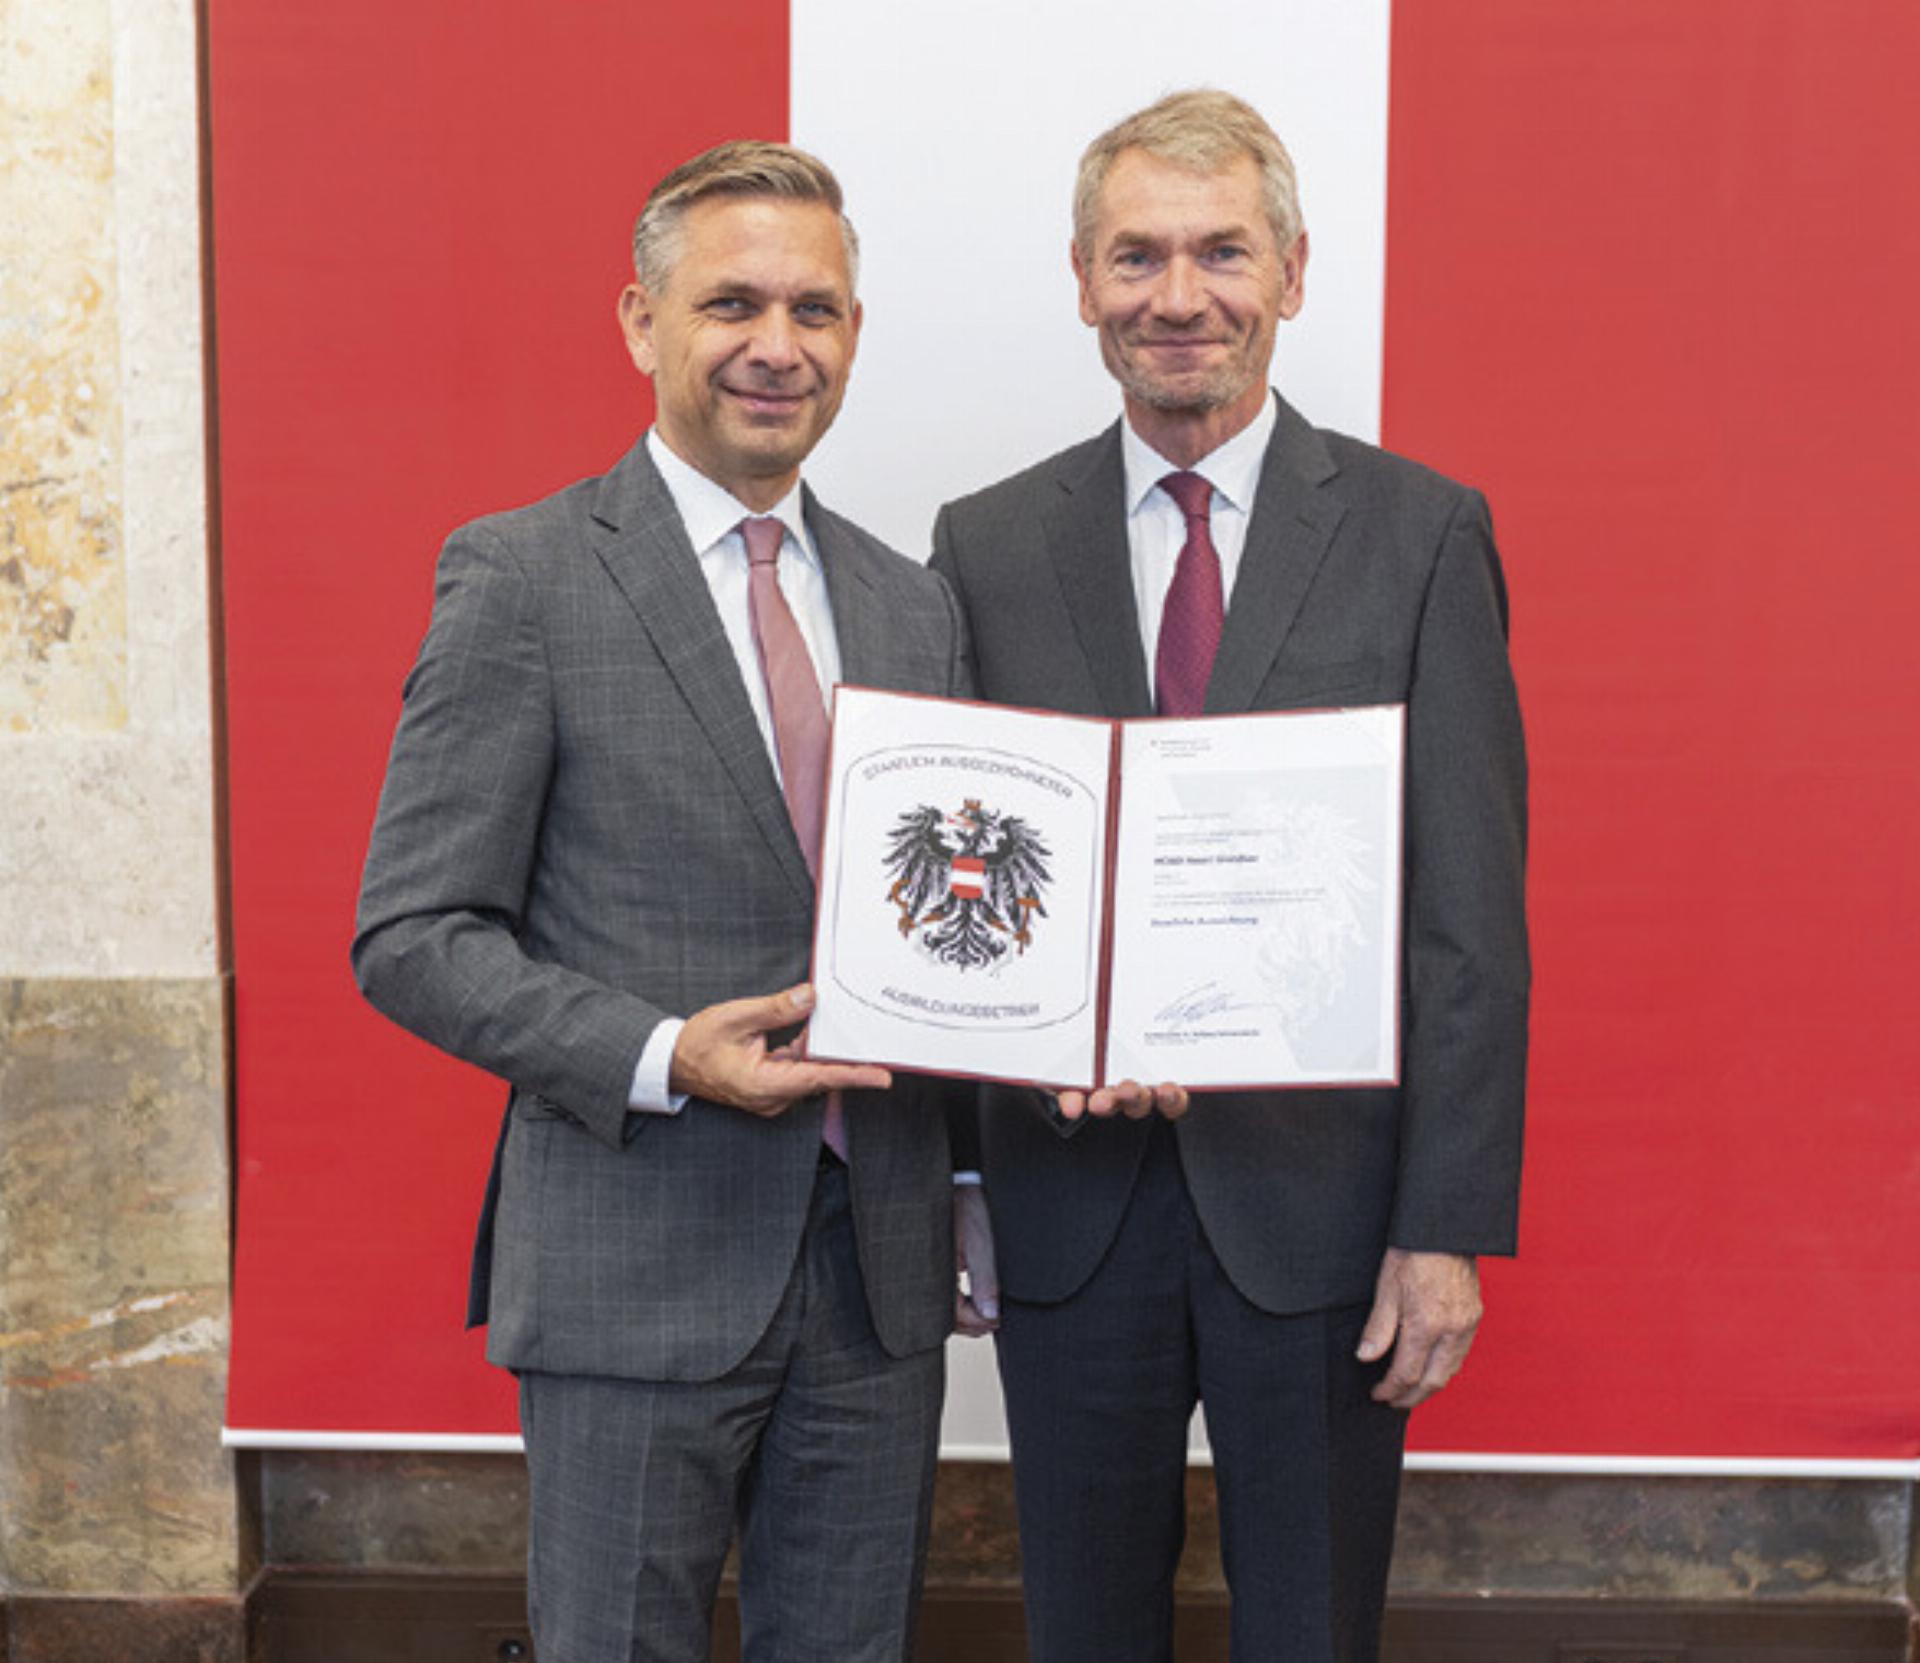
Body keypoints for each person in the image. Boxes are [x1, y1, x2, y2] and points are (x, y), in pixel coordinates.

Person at [353, 140, 992, 1663]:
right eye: (733, 304)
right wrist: (663, 1052)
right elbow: (412, 932)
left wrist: (968, 1184)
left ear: (853, 333)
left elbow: (951, 936)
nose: (778, 346)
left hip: (876, 1272)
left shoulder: (914, 602)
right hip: (633, 1259)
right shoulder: (522, 578)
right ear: (641, 322)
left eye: (816, 310)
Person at [930, 90, 1529, 1663]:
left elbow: (1469, 916)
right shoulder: (984, 546)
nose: (1177, 296)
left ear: (1294, 272)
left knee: (1313, 1635)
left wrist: (1445, 1226)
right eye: (1136, 257)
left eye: (1220, 253)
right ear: (1081, 282)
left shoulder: (1420, 534)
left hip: (1326, 1215)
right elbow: (965, 900)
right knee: (1080, 1631)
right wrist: (972, 1178)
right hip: (1069, 1212)